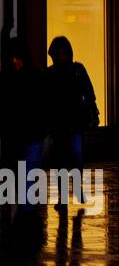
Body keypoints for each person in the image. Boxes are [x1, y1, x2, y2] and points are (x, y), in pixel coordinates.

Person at [41, 36, 98, 198]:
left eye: (63, 54)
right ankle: (66, 193)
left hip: (69, 121)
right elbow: (88, 93)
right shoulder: (65, 71)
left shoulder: (71, 71)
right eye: (58, 54)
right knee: (66, 158)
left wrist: (92, 110)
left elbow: (88, 92)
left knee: (73, 156)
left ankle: (69, 192)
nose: (60, 57)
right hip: (62, 122)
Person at [1, 37, 42, 177]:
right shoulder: (35, 76)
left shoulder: (7, 78)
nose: (14, 61)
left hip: (24, 135)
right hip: (20, 135)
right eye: (12, 57)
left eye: (17, 57)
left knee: (23, 178)